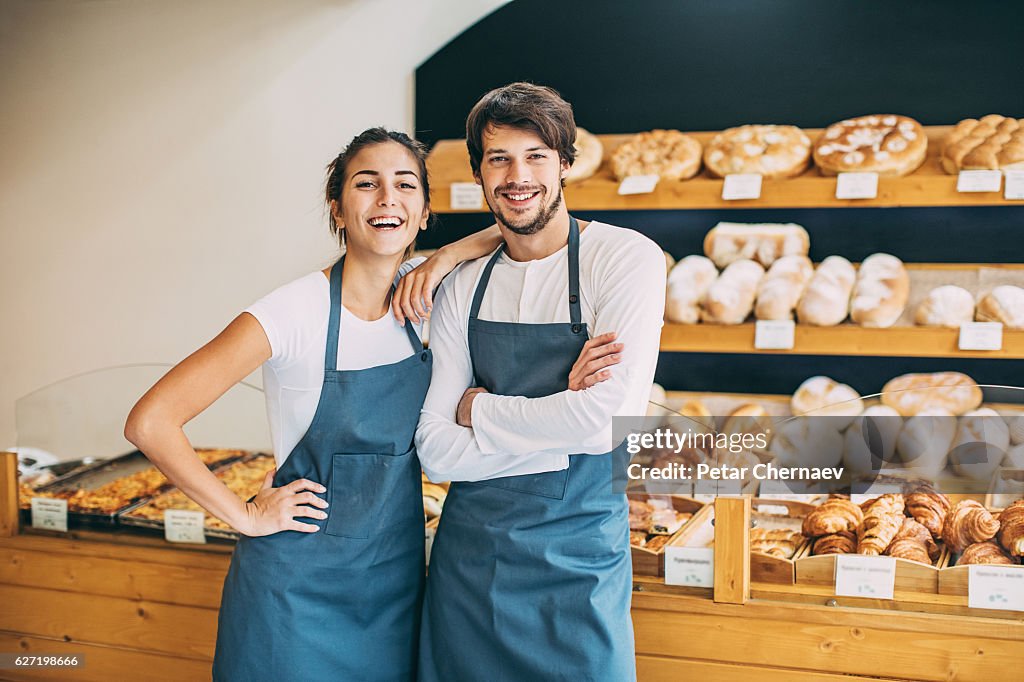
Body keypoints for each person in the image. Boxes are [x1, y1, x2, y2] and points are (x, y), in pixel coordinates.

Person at [124, 126, 620, 681]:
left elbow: (511, 235)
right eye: (367, 184)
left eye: (406, 186)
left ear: (425, 211)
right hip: (295, 592)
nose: (388, 199)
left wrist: (444, 256)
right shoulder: (293, 312)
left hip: (393, 584)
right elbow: (151, 420)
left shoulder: (427, 294)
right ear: (337, 209)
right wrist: (243, 515)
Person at [415, 83, 666, 681]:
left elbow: (606, 421)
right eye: (498, 159)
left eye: (536, 157)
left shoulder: (625, 259)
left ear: (565, 165)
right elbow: (435, 449)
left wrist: (476, 409)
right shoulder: (461, 284)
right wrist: (562, 423)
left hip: (578, 565)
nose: (517, 175)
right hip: (470, 567)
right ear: (478, 174)